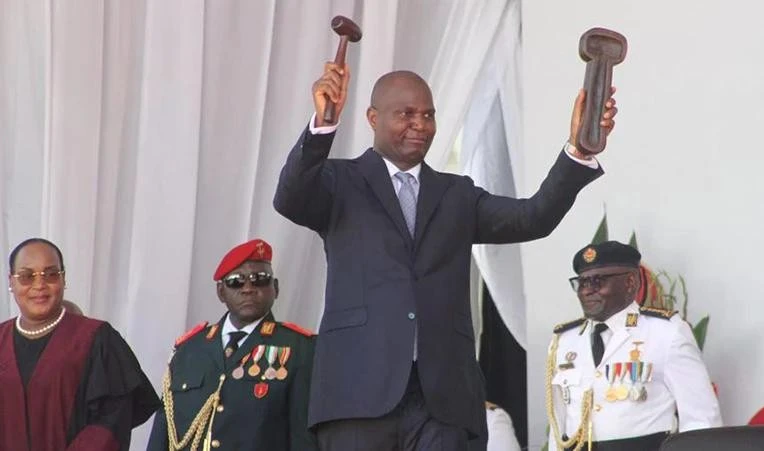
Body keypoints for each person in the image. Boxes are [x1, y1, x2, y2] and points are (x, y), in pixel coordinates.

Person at [273, 61, 618, 451]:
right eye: (406, 114)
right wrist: (322, 127)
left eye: (428, 115)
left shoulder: (457, 194)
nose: (420, 124)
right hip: (357, 393)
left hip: (443, 400)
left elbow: (532, 217)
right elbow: (290, 198)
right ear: (373, 118)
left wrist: (578, 150)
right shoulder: (340, 183)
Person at [546, 241, 722, 451]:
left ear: (630, 282)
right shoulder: (565, 341)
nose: (586, 291)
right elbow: (558, 427)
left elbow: (701, 420)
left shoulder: (666, 333)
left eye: (597, 281)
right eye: (582, 283)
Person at [146, 238, 317, 451]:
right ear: (221, 292)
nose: (248, 289)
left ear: (275, 288)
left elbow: (304, 438)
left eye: (259, 279)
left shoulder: (300, 348)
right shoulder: (189, 349)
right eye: (236, 281)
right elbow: (164, 429)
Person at [0, 237, 160, 450]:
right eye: (27, 276)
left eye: (51, 274)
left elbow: (112, 419)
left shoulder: (97, 339)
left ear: (63, 279)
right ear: (11, 281)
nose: (39, 285)